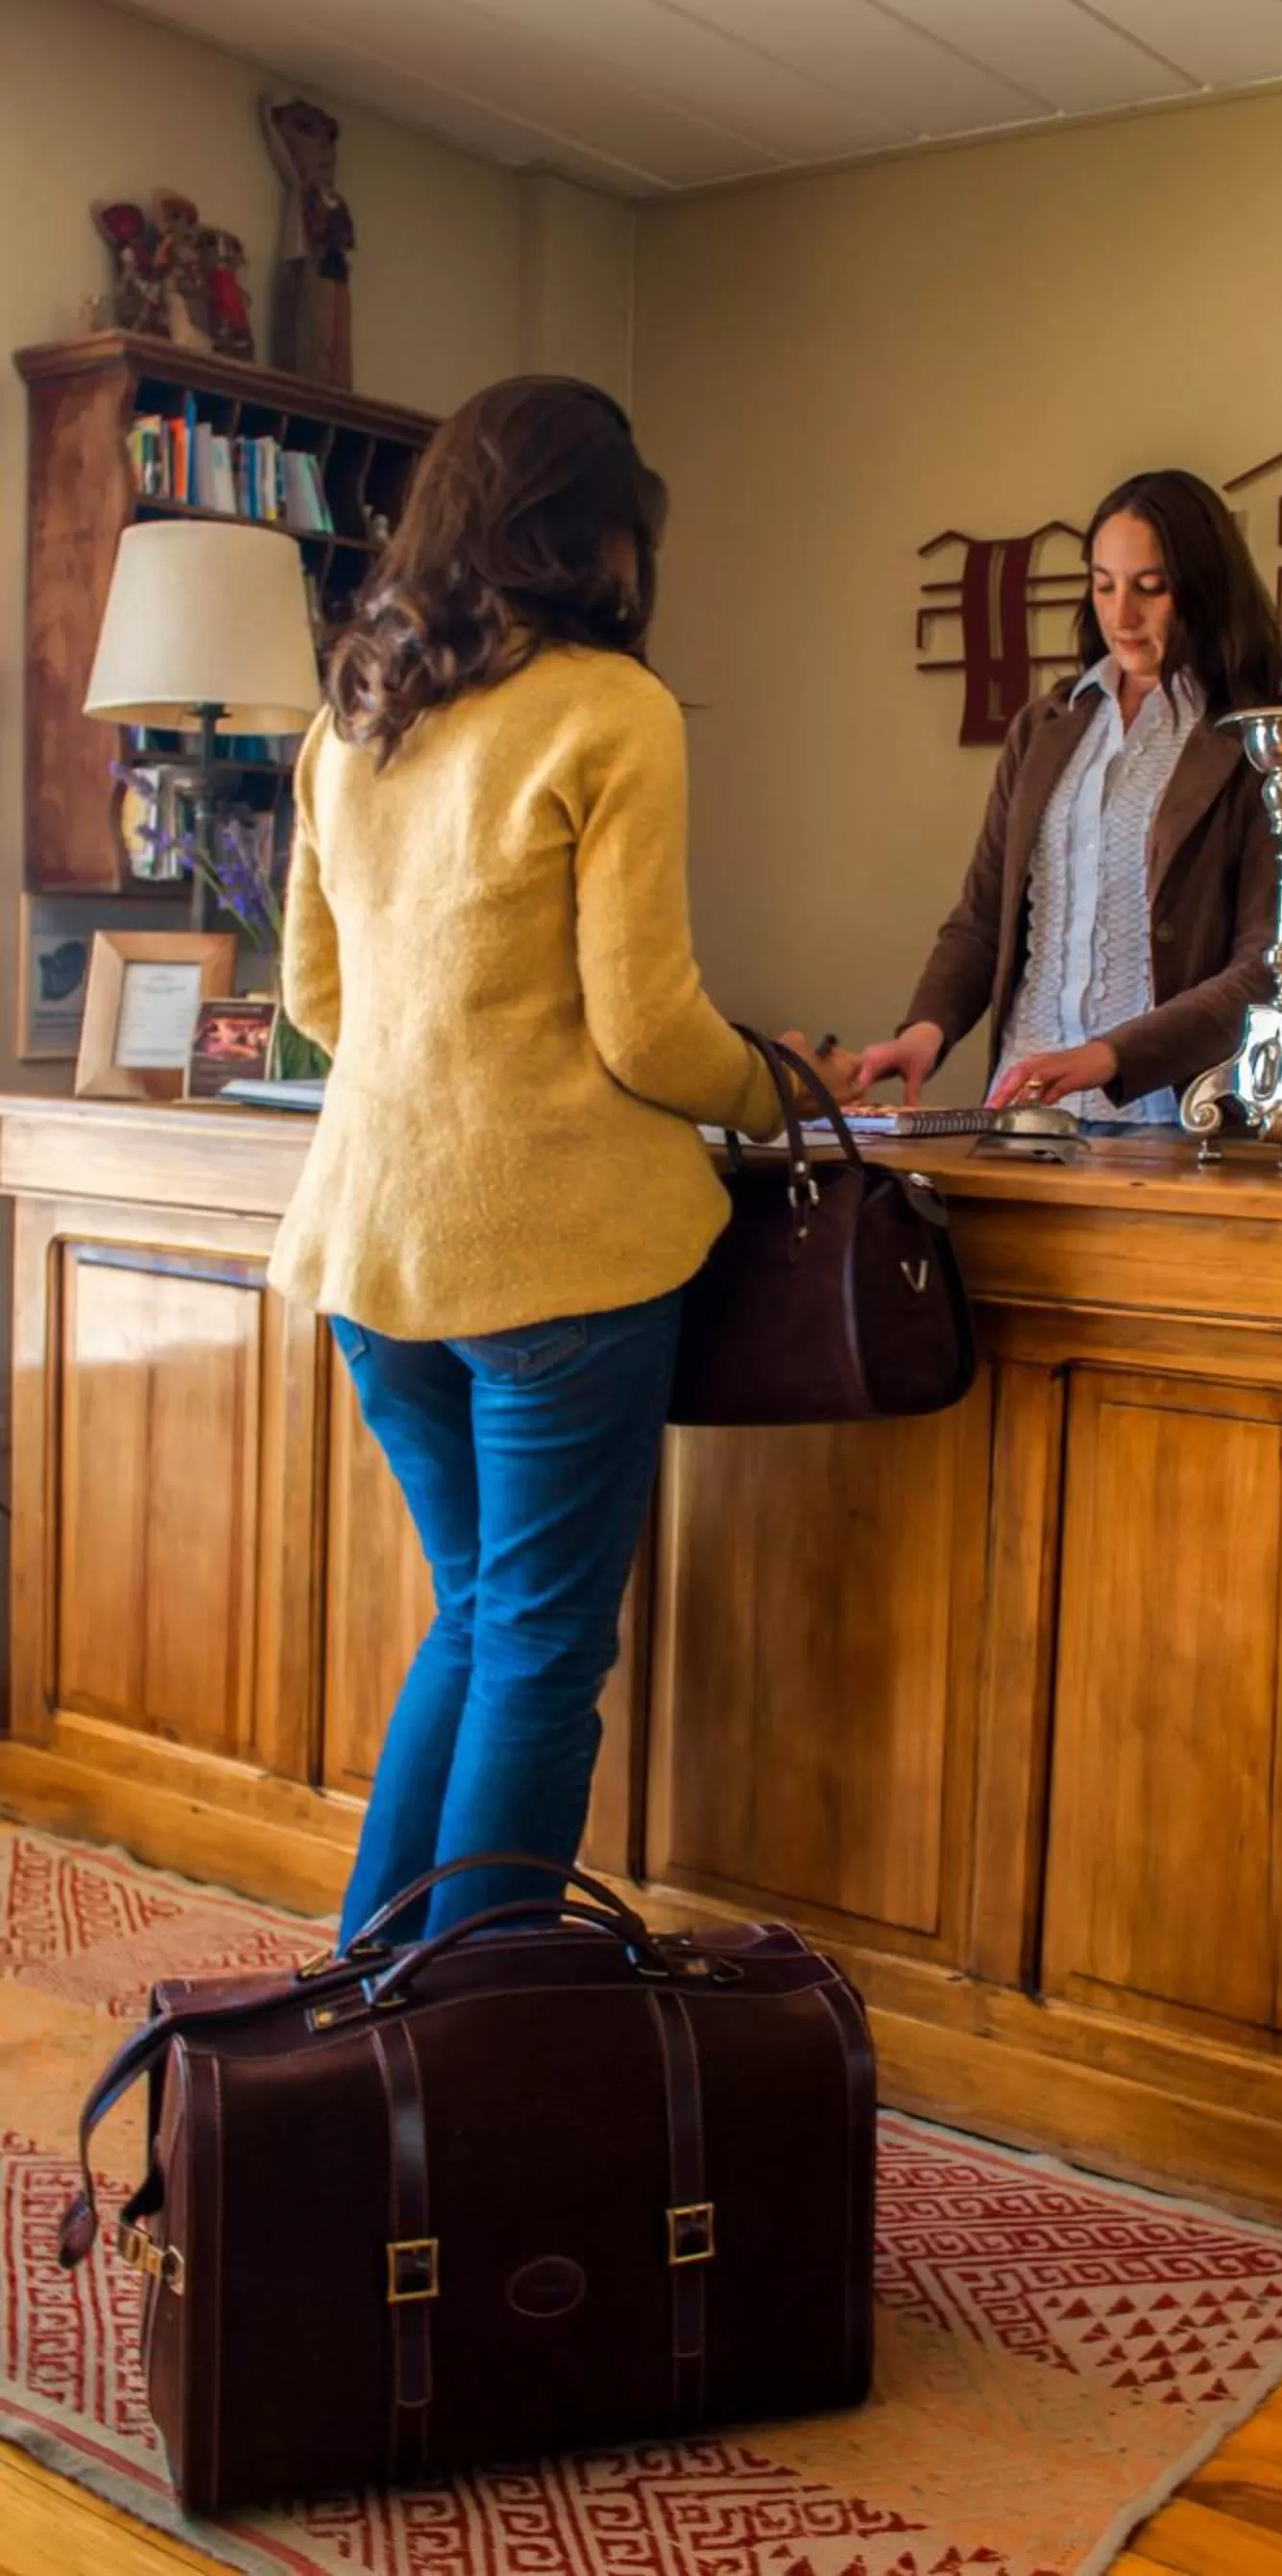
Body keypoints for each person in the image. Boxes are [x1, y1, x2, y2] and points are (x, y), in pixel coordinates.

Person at [269, 376, 788, 1943]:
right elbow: (647, 1031)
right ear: (601, 530)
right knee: (543, 1643)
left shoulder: (351, 720)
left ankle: (368, 2005)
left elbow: (312, 1001)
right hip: (553, 1260)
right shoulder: (608, 708)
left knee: (481, 1615)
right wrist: (785, 1087)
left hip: (372, 1256)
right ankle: (463, 2039)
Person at [855, 470, 1282, 1122]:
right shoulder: (1046, 727)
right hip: (1022, 1113)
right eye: (1103, 585)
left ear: (1202, 588)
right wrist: (926, 1031)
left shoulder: (1257, 743)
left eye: (1151, 588)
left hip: (1170, 1120)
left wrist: (1112, 1055)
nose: (1121, 616)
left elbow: (1267, 968)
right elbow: (981, 920)